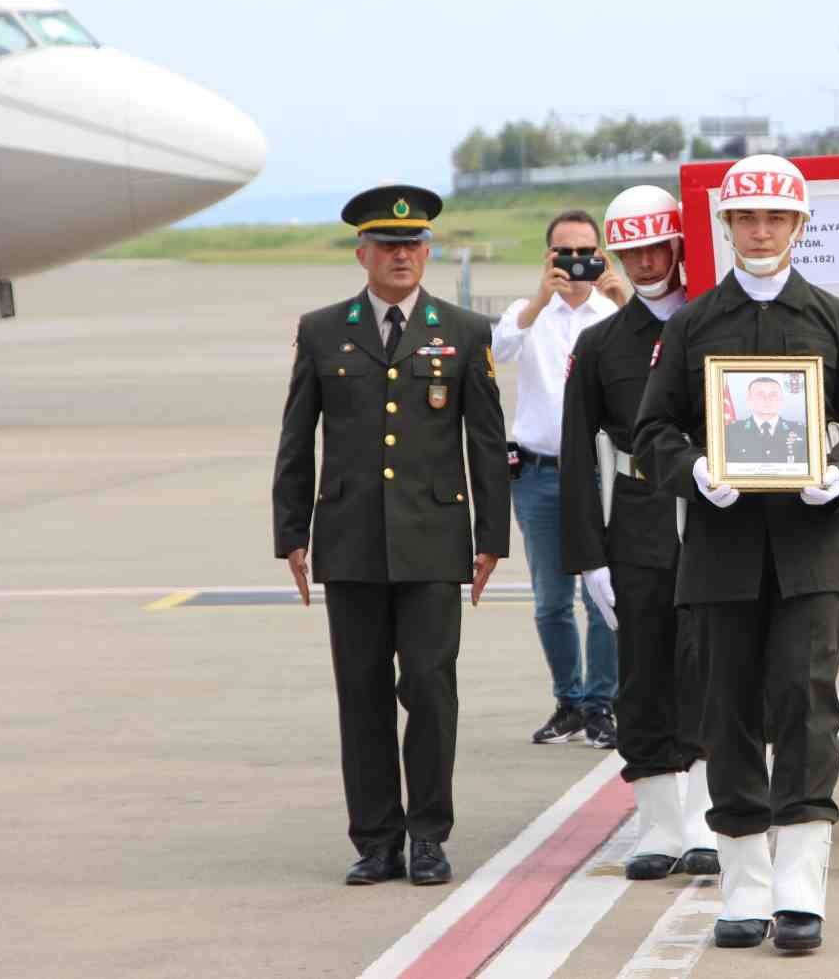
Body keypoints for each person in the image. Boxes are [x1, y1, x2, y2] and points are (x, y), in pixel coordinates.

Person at [634, 154, 839, 953]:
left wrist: (837, 480)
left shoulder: (833, 318)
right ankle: (744, 886)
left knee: (807, 707)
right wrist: (695, 472)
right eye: (746, 218)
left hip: (814, 550)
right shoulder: (692, 324)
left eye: (775, 218)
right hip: (722, 551)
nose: (760, 230)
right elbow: (651, 434)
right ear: (725, 227)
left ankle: (800, 889)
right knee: (729, 711)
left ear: (799, 226)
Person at [272, 184, 508, 886]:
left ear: (428, 251)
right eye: (388, 246)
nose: (402, 256)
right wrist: (290, 533)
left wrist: (491, 536)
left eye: (414, 245)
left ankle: (429, 835)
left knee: (432, 690)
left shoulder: (464, 331)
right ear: (362, 253)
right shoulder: (321, 330)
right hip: (348, 541)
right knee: (362, 690)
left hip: (434, 541)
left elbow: (486, 443)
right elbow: (296, 438)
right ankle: (376, 838)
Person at [560, 185, 718, 880]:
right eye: (634, 250)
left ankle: (714, 818)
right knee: (644, 673)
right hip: (639, 517)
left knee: (716, 668)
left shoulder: (718, 321)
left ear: (681, 245)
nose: (649, 260)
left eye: (660, 245)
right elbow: (574, 452)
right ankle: (658, 824)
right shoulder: (599, 345)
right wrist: (589, 556)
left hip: (720, 515)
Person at [493, 210, 629, 748]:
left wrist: (622, 300)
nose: (576, 264)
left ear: (602, 255)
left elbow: (660, 352)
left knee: (603, 597)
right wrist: (537, 300)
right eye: (563, 253)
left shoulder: (614, 312)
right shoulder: (528, 315)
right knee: (552, 599)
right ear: (547, 258)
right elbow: (497, 349)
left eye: (586, 252)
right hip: (540, 473)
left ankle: (602, 704)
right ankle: (568, 701)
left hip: (601, 474)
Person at [725, 377, 808, 463]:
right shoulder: (730, 432)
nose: (767, 399)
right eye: (760, 394)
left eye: (773, 394)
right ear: (749, 399)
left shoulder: (802, 431)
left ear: (782, 399)